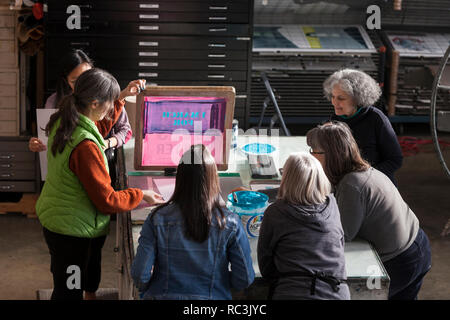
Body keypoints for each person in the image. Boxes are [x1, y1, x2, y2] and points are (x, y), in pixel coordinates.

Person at [35, 68, 164, 301]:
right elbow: (107, 201)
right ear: (94, 103)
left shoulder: (65, 119)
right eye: (108, 103)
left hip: (61, 218)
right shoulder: (85, 148)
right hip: (71, 230)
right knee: (68, 291)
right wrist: (141, 194)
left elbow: (97, 129)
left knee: (73, 276)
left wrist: (121, 97)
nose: (109, 110)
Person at [306, 121, 432, 300]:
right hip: (417, 245)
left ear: (331, 155)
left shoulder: (352, 185)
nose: (311, 157)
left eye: (314, 152)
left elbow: (342, 235)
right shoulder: (360, 170)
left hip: (402, 259)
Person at [131, 144, 255, 300]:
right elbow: (244, 278)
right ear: (213, 179)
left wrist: (149, 289)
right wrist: (219, 283)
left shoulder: (156, 218)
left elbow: (140, 274)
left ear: (180, 178)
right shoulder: (230, 223)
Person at [29, 49, 133, 186]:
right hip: (69, 177)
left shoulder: (107, 97)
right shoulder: (54, 102)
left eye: (87, 76)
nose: (84, 84)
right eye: (75, 81)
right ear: (66, 81)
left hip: (102, 165)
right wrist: (37, 142)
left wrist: (107, 143)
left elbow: (125, 131)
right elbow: (47, 136)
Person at [257, 152, 350, 300]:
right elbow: (339, 245)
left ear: (286, 180)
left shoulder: (275, 212)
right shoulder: (332, 205)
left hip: (292, 292)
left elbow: (266, 267)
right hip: (336, 292)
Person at [323, 68, 403, 184]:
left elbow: (395, 160)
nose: (334, 103)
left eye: (341, 98)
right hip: (346, 184)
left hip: (374, 184)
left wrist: (364, 177)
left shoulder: (376, 118)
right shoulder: (334, 120)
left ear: (357, 99)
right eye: (333, 97)